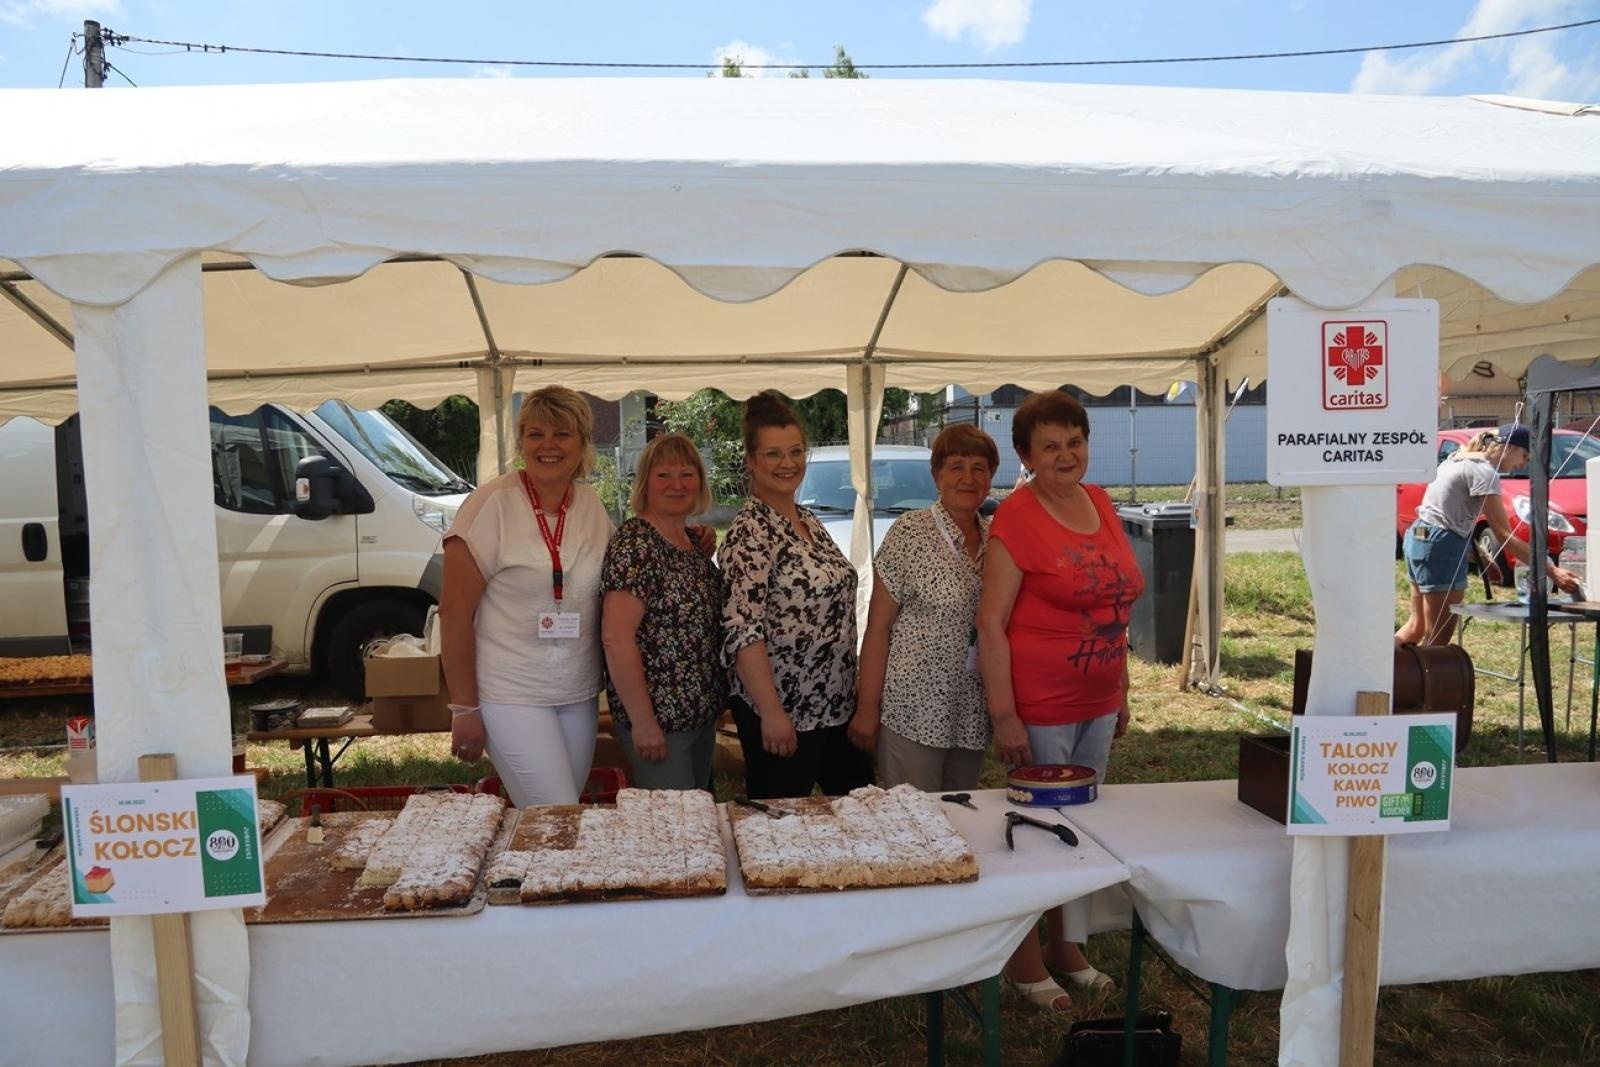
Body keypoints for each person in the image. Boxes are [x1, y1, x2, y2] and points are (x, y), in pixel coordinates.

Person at [978, 390, 1145, 1013]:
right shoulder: (1017, 519)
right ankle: (1024, 961)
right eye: (1049, 446)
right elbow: (990, 622)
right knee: (1040, 833)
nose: (1065, 455)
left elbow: (1117, 605)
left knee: (1086, 828)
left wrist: (1121, 690)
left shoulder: (1099, 501)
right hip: (1041, 702)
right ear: (1026, 456)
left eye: (1074, 441)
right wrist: (1004, 714)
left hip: (1098, 695)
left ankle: (1069, 945)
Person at [439, 385, 614, 807]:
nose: (548, 446)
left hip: (577, 692)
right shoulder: (490, 504)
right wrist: (464, 709)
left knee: (557, 820)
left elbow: (624, 574)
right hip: (511, 694)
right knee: (556, 815)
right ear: (521, 443)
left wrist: (690, 541)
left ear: (582, 443)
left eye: (562, 434)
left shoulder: (591, 505)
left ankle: (518, 874)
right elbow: (455, 615)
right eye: (536, 434)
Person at [720, 392, 873, 799]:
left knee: (859, 814)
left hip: (835, 707)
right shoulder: (749, 532)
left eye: (796, 451)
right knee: (780, 831)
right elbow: (742, 630)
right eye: (773, 454)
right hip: (784, 714)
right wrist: (771, 713)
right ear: (752, 461)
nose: (787, 463)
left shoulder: (808, 520)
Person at [848, 424, 998, 791]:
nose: (968, 478)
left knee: (961, 815)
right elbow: (879, 627)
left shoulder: (998, 537)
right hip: (913, 707)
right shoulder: (910, 533)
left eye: (979, 467)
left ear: (991, 477)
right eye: (956, 467)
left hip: (971, 708)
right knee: (914, 817)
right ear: (937, 476)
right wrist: (867, 708)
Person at [600, 433, 727, 790]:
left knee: (697, 821)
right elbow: (615, 638)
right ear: (645, 484)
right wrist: (642, 722)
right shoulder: (636, 545)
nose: (677, 485)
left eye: (687, 475)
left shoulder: (689, 543)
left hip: (698, 718)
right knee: (678, 832)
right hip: (660, 724)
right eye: (663, 475)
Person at [1396, 425, 1581, 647]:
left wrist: (1479, 553)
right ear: (1509, 447)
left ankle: (1382, 673)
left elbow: (1445, 514)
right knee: (1438, 639)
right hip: (1439, 546)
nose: (1524, 463)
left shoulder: (1456, 459)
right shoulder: (1484, 472)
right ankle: (1427, 681)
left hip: (1418, 535)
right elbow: (1504, 534)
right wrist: (1552, 571)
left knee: (1416, 627)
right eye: (1524, 456)